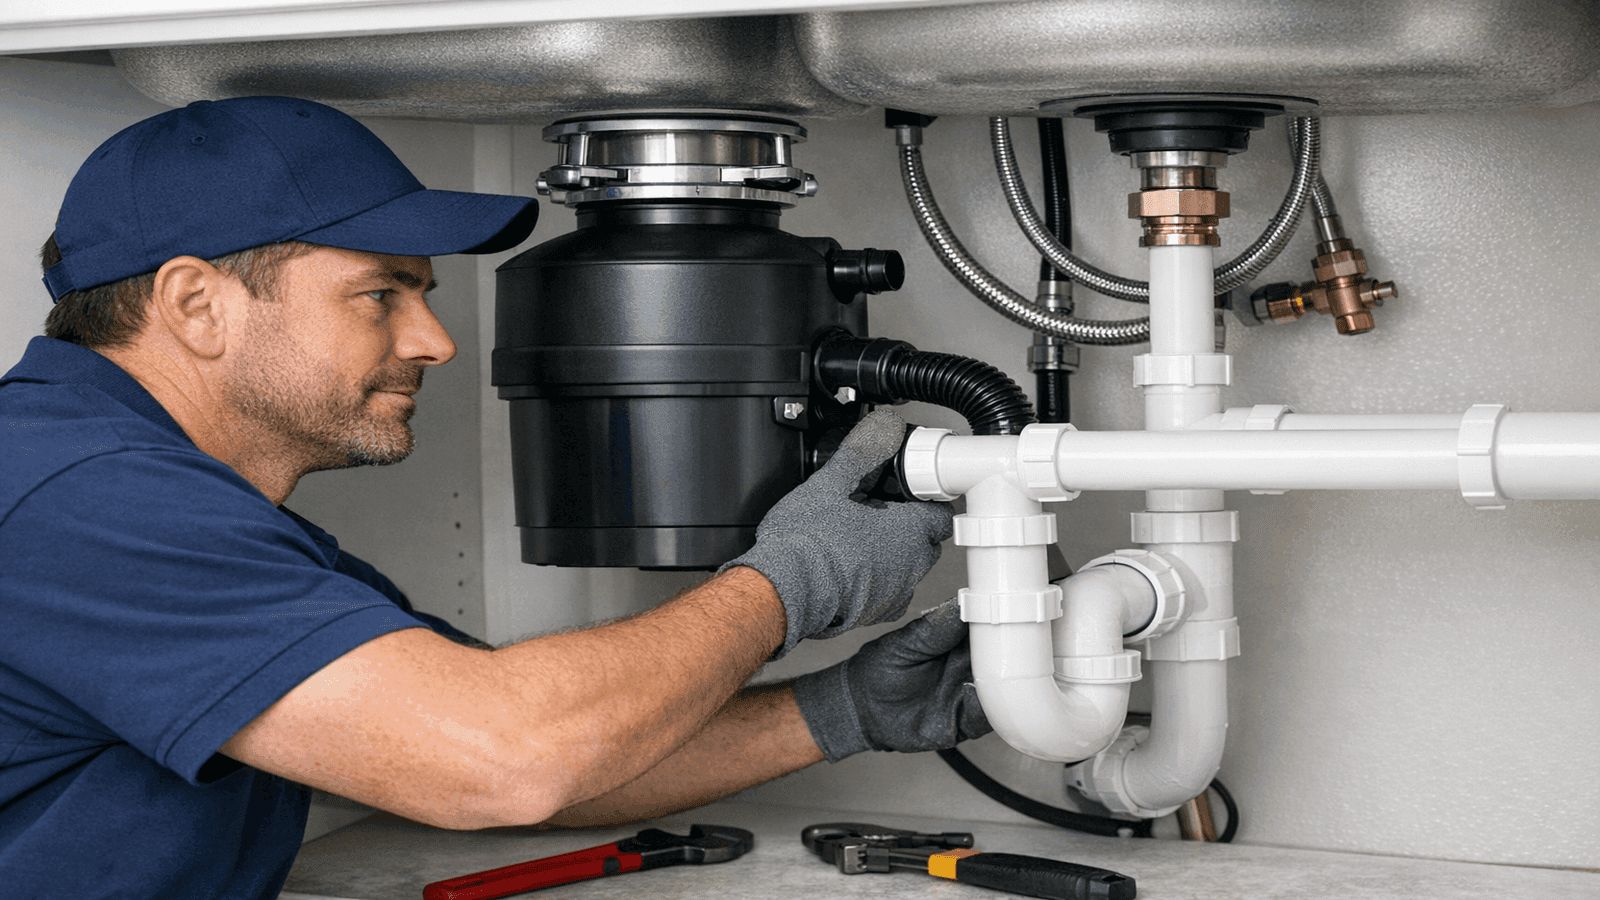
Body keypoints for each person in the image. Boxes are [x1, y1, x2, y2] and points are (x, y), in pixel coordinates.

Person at [0, 96, 985, 898]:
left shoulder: (186, 514)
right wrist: (790, 580)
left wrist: (843, 707)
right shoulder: (76, 496)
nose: (435, 341)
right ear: (195, 305)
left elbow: (549, 755)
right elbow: (501, 756)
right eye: (381, 293)